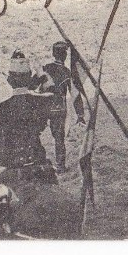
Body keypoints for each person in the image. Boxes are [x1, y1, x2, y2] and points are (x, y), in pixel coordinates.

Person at [0, 51, 55, 172]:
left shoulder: (1, 106)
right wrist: (41, 73)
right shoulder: (40, 100)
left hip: (11, 158)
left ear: (10, 80)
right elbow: (51, 90)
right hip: (35, 153)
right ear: (29, 76)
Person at [37, 41, 88, 173]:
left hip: (43, 106)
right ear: (65, 55)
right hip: (58, 108)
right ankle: (60, 166)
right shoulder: (66, 72)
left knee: (35, 134)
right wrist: (80, 114)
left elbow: (32, 85)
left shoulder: (45, 68)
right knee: (59, 139)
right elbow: (75, 94)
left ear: (53, 54)